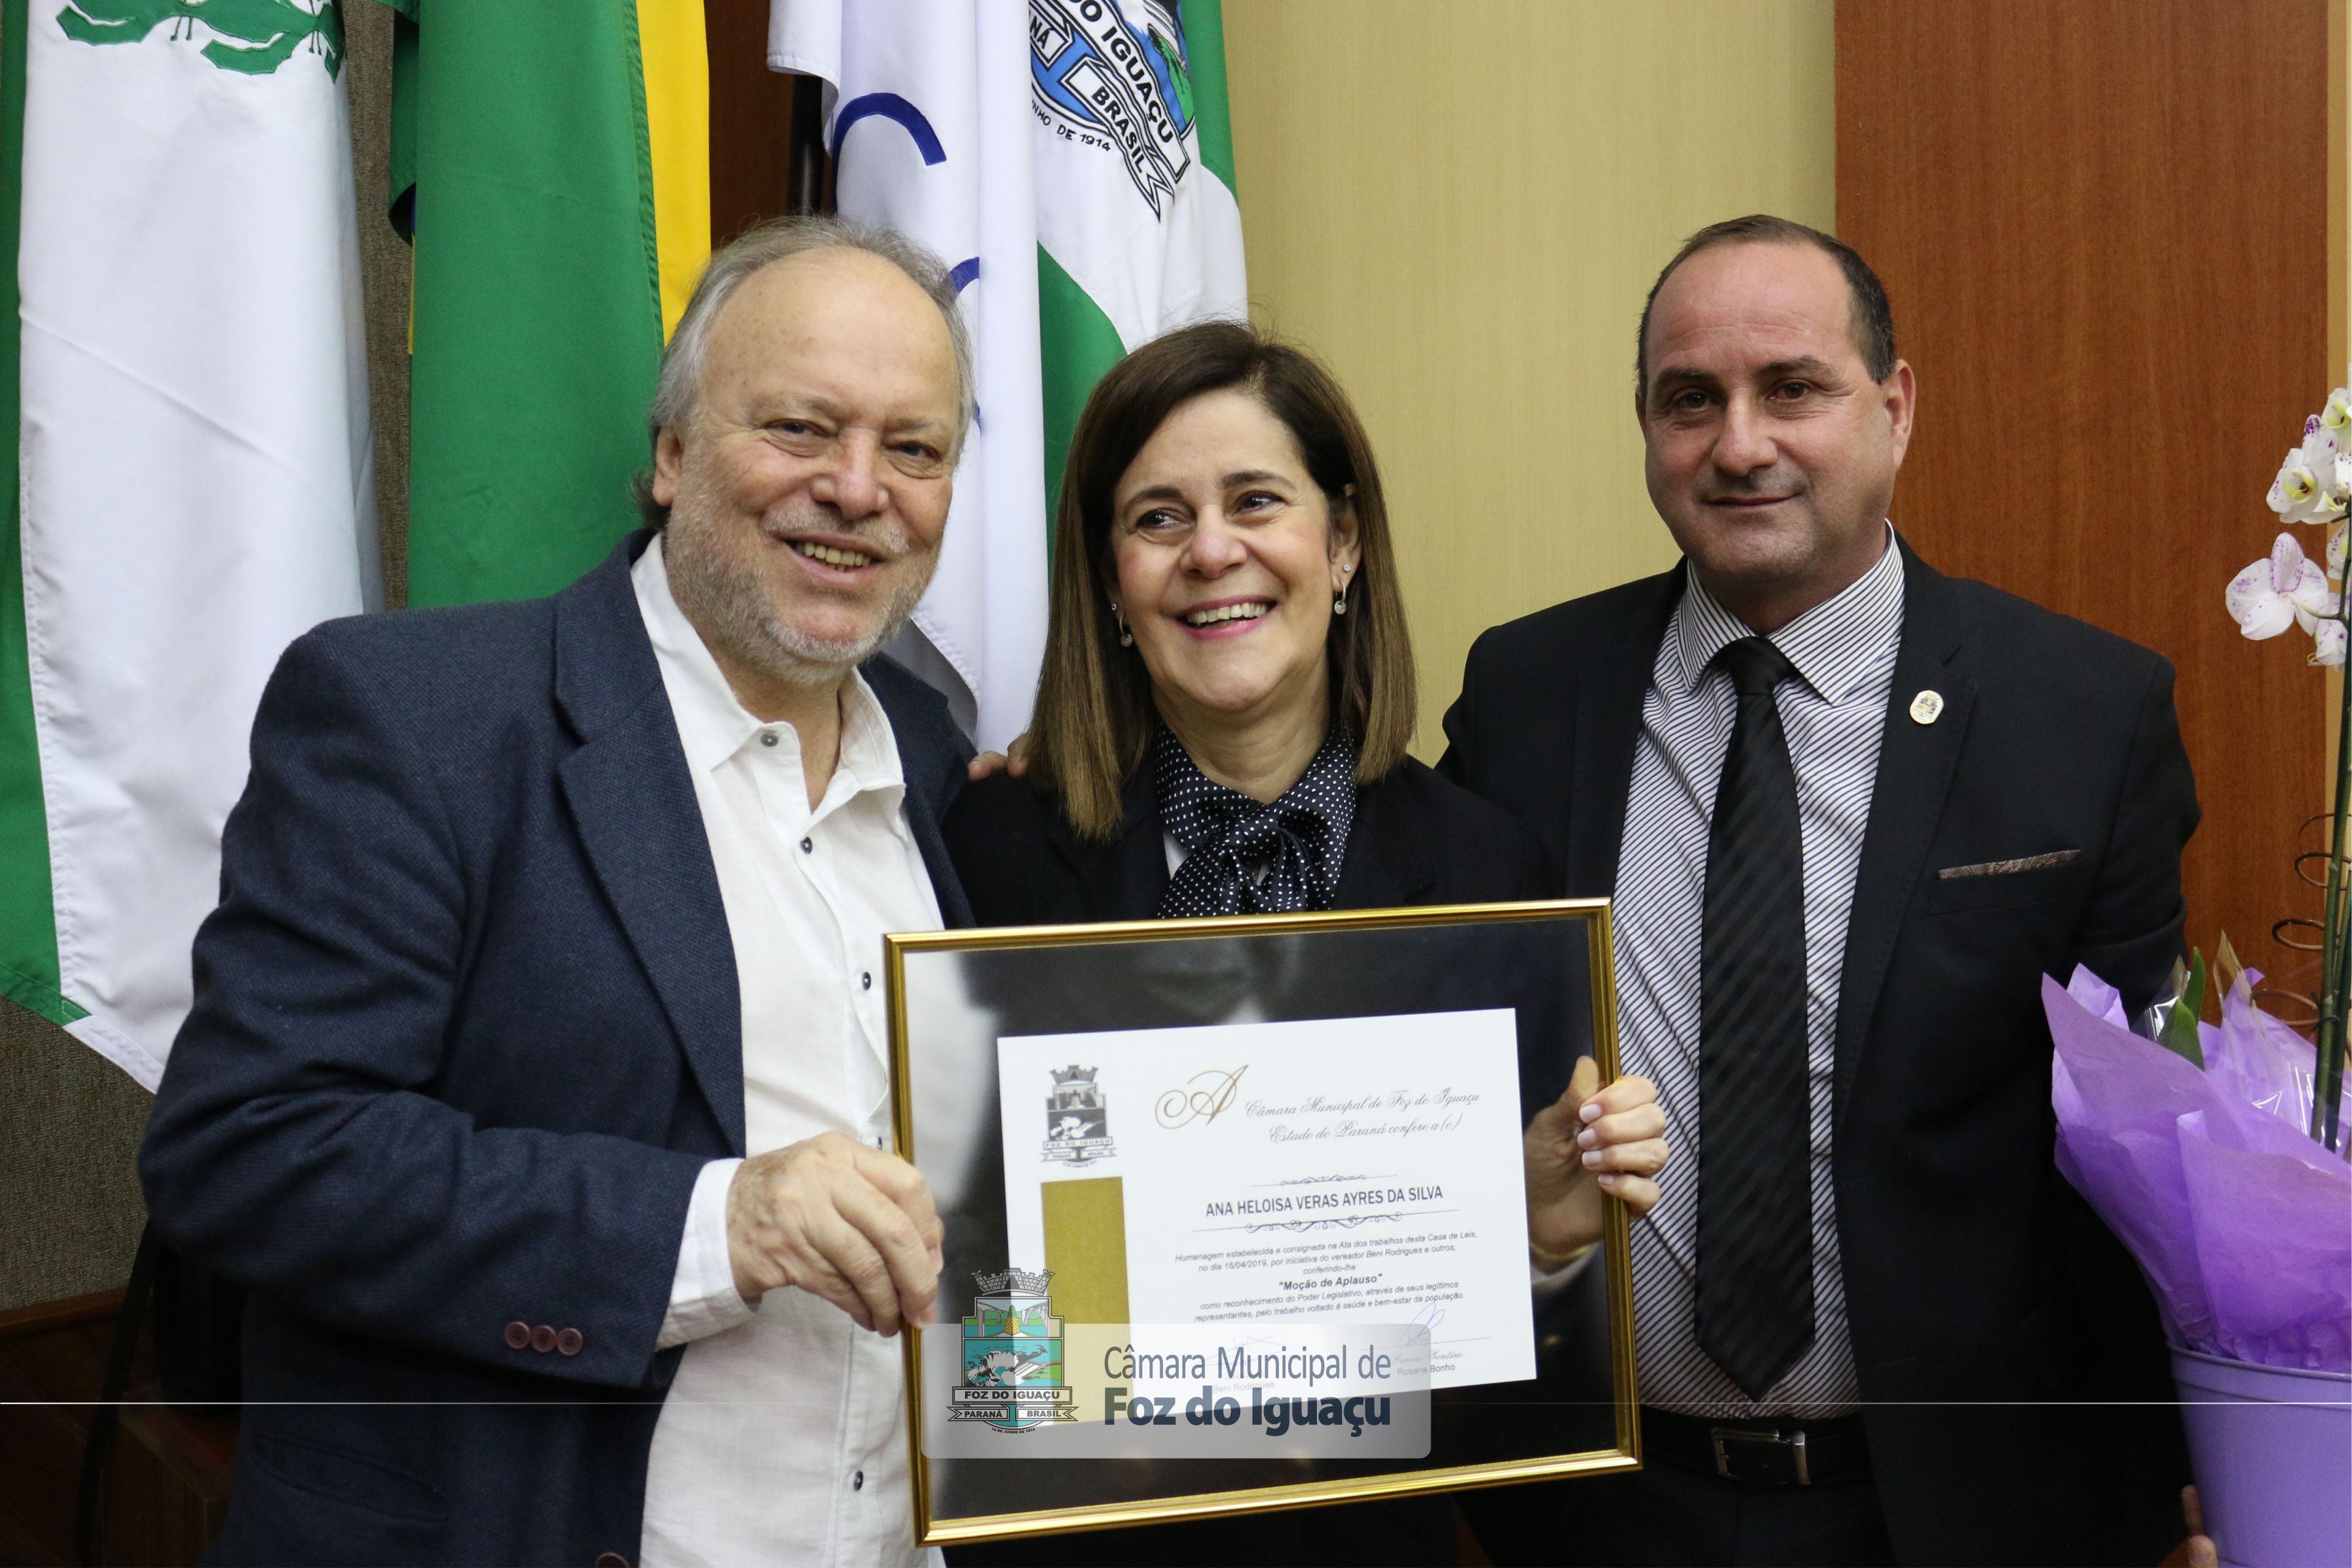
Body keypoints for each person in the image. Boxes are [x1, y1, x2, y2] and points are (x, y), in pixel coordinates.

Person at [139, 216, 978, 1567]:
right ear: (672, 452)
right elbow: (250, 1150)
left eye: (916, 449)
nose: (858, 487)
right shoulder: (419, 718)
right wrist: (717, 1222)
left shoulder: (930, 760)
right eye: (801, 428)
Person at [1437, 215, 2199, 1566]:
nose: (1740, 445)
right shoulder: (1528, 695)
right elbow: (1431, 1021)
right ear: (1645, 425)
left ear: (1894, 409)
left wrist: (2188, 1487)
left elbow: (2144, 1156)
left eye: (1793, 388)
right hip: (1604, 1510)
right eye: (1691, 401)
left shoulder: (2084, 713)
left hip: (1962, 1517)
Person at [946, 321, 1671, 1564]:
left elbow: (1504, 1401)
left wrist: (1543, 1242)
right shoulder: (991, 852)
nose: (1210, 551)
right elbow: (968, 1276)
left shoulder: (1485, 874)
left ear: (1342, 545)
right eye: (1158, 517)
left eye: (1255, 501)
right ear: (1111, 580)